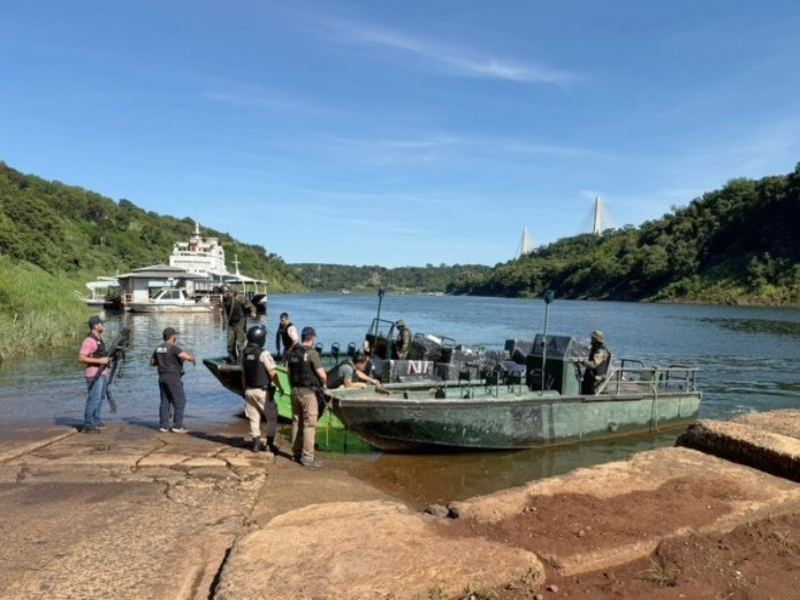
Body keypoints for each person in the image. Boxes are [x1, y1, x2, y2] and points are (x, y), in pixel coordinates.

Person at [286, 326, 327, 468]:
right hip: (308, 393)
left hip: (294, 391)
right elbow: (322, 375)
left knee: (297, 422)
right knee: (309, 425)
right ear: (312, 338)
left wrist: (293, 388)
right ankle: (308, 458)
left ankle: (296, 453)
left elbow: (289, 374)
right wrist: (323, 385)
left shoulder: (292, 353)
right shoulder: (312, 353)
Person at [241, 324, 285, 453]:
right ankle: (269, 444)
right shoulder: (263, 354)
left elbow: (243, 374)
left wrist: (245, 390)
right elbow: (272, 373)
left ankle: (255, 444)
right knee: (272, 417)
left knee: (254, 418)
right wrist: (280, 387)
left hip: (249, 390)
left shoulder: (244, 353)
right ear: (260, 339)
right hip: (262, 391)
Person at [150, 327, 195, 433]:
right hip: (173, 377)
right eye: (175, 335)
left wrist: (163, 362)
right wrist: (192, 358)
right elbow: (186, 356)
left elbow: (152, 363)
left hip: (162, 377)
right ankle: (178, 426)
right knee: (180, 400)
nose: (176, 337)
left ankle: (163, 425)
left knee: (165, 401)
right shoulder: (173, 348)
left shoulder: (158, 348)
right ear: (172, 336)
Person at [78, 315, 111, 433]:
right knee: (94, 399)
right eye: (101, 323)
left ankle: (96, 420)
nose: (103, 325)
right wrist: (100, 361)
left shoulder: (99, 338)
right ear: (95, 326)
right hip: (93, 373)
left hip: (102, 373)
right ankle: (88, 424)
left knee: (100, 398)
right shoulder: (89, 340)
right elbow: (81, 358)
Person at [221, 284, 256, 363]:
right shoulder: (225, 300)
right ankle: (233, 361)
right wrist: (224, 324)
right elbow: (225, 312)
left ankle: (241, 363)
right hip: (231, 323)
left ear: (228, 291)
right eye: (222, 293)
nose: (223, 295)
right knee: (230, 345)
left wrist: (253, 312)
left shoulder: (238, 298)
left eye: (224, 293)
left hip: (240, 322)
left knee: (240, 345)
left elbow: (250, 305)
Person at [576, 330, 611, 395]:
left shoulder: (600, 350)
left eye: (593, 338)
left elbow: (593, 364)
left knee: (587, 393)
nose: (591, 339)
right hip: (591, 376)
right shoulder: (595, 348)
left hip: (595, 379)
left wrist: (582, 361)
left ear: (596, 339)